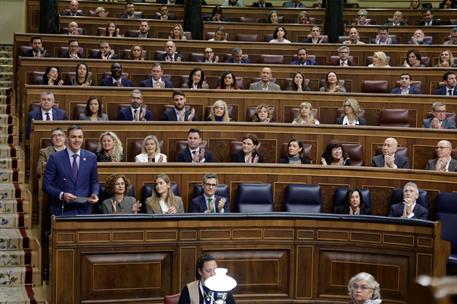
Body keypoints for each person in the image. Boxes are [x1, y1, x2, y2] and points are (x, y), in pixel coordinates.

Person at [43, 125, 99, 215]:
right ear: (67, 138)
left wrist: (94, 193)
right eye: (73, 137)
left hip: (84, 209)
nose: (77, 140)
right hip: (62, 209)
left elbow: (94, 181)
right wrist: (62, 195)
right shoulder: (55, 158)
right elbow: (46, 185)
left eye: (80, 137)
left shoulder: (91, 157)